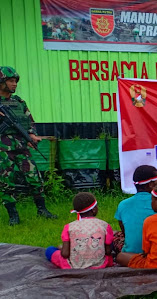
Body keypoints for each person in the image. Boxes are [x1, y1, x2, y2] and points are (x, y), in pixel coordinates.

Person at [0, 66, 57, 225]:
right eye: (10, 81)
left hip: (21, 146)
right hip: (3, 150)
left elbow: (29, 120)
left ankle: (42, 210)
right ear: (1, 82)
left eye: (15, 81)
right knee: (6, 182)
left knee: (34, 177)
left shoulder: (19, 102)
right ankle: (13, 216)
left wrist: (31, 134)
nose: (14, 84)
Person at [45, 192, 113, 269]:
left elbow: (65, 254)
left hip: (73, 266)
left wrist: (64, 248)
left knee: (50, 249)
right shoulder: (105, 225)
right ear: (94, 209)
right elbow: (108, 251)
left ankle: (62, 247)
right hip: (100, 265)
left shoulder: (69, 227)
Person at [113, 165, 157, 254]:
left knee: (115, 235)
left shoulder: (123, 204)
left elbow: (125, 233)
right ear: (150, 185)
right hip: (155, 253)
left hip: (130, 255)